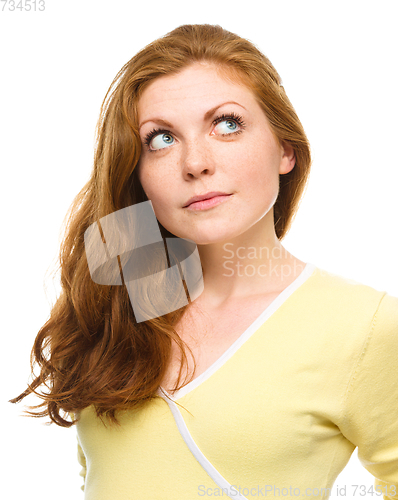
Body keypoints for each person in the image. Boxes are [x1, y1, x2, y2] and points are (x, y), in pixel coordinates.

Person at [10, 24, 398, 500]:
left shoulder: (365, 325)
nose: (195, 162)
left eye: (227, 123)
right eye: (160, 139)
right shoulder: (114, 302)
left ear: (285, 149)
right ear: (138, 172)